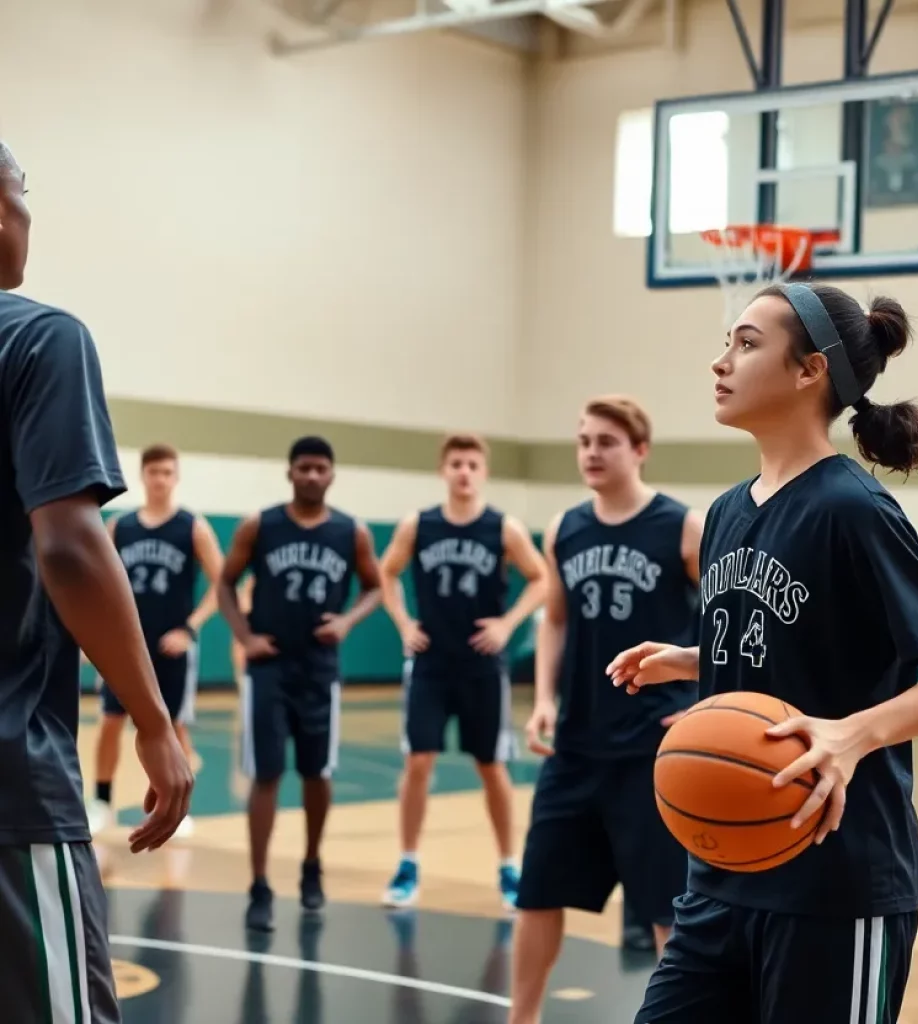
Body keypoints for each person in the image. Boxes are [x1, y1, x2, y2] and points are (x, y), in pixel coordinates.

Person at [607, 283, 918, 1024]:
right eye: (727, 343)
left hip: (836, 884)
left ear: (810, 370)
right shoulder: (727, 511)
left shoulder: (853, 509)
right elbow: (803, 641)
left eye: (747, 343)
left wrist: (851, 735)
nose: (721, 361)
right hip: (720, 877)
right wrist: (698, 657)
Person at [0, 139, 192, 1022]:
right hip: (13, 784)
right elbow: (71, 549)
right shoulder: (40, 337)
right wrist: (153, 719)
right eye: (23, 189)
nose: (29, 210)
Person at [508, 396, 703, 1024]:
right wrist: (543, 698)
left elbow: (729, 621)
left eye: (606, 442)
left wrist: (705, 703)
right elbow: (555, 620)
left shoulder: (683, 526)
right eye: (584, 440)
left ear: (640, 450)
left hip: (654, 748)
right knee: (537, 892)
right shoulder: (564, 528)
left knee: (669, 908)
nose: (591, 452)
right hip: (576, 745)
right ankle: (522, 1017)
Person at [217, 436, 382, 932]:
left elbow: (375, 586)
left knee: (317, 773)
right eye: (304, 467)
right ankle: (259, 885)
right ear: (289, 472)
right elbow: (224, 582)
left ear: (332, 474)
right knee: (265, 774)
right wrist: (244, 636)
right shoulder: (260, 525)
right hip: (269, 667)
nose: (312, 475)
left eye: (320, 468)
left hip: (319, 669)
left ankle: (312, 865)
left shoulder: (351, 531)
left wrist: (347, 621)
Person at [378, 433, 547, 912]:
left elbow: (541, 578)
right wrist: (404, 622)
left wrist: (508, 624)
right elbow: (386, 573)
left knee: (492, 767)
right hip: (430, 663)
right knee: (418, 762)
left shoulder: (503, 528)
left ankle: (508, 866)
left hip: (481, 666)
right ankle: (408, 863)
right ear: (443, 470)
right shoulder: (419, 524)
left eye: (473, 464)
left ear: (483, 472)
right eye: (456, 464)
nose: (464, 472)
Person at [86, 443, 224, 840]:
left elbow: (222, 584)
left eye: (167, 472)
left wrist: (189, 629)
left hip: (170, 647)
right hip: (125, 647)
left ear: (175, 477)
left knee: (174, 726)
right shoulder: (120, 526)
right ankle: (101, 803)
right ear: (143, 476)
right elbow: (97, 584)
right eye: (154, 472)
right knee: (110, 722)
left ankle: (177, 807)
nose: (160, 479)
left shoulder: (193, 526)